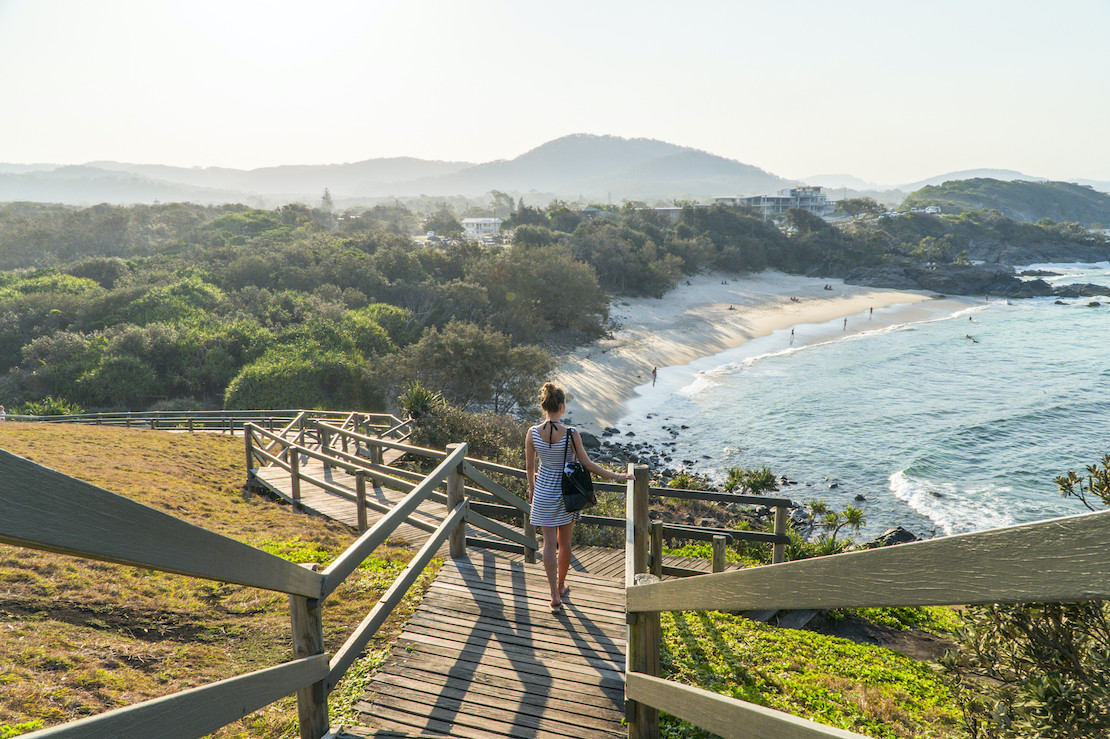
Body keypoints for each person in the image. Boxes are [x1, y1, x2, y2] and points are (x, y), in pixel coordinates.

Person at [525, 382, 633, 612]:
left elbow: (529, 468)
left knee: (547, 544)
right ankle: (561, 585)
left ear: (544, 407)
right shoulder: (571, 434)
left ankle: (553, 594)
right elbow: (587, 464)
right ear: (562, 407)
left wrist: (533, 490)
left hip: (543, 492)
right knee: (564, 543)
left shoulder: (532, 433)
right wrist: (616, 475)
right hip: (567, 494)